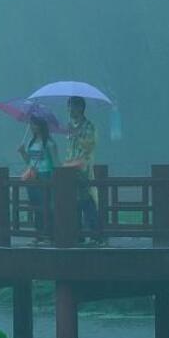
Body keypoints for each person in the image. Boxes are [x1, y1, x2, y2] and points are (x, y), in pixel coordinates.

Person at [64, 95, 104, 245]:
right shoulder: (70, 126)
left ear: (80, 108)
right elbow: (69, 149)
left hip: (83, 168)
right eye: (68, 107)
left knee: (87, 200)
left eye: (72, 106)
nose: (70, 110)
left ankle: (95, 235)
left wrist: (77, 136)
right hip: (69, 169)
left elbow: (89, 146)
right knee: (74, 203)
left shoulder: (89, 126)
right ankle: (77, 235)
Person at [18, 116, 58, 245]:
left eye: (34, 124)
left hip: (45, 176)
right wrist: (23, 152)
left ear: (40, 126)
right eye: (31, 124)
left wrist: (55, 177)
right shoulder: (31, 142)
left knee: (46, 206)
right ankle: (39, 234)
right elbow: (29, 161)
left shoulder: (49, 143)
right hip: (32, 176)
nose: (31, 127)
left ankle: (48, 235)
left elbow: (55, 162)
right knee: (36, 206)